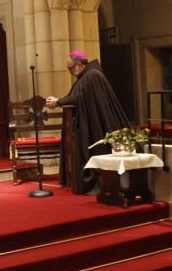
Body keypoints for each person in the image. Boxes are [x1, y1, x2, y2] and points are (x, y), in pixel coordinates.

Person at [46, 50, 130, 194]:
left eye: (70, 68)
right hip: (92, 121)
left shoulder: (91, 75)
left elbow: (79, 98)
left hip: (96, 125)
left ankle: (99, 183)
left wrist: (58, 101)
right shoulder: (87, 76)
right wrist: (59, 101)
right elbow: (77, 96)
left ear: (78, 65)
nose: (71, 72)